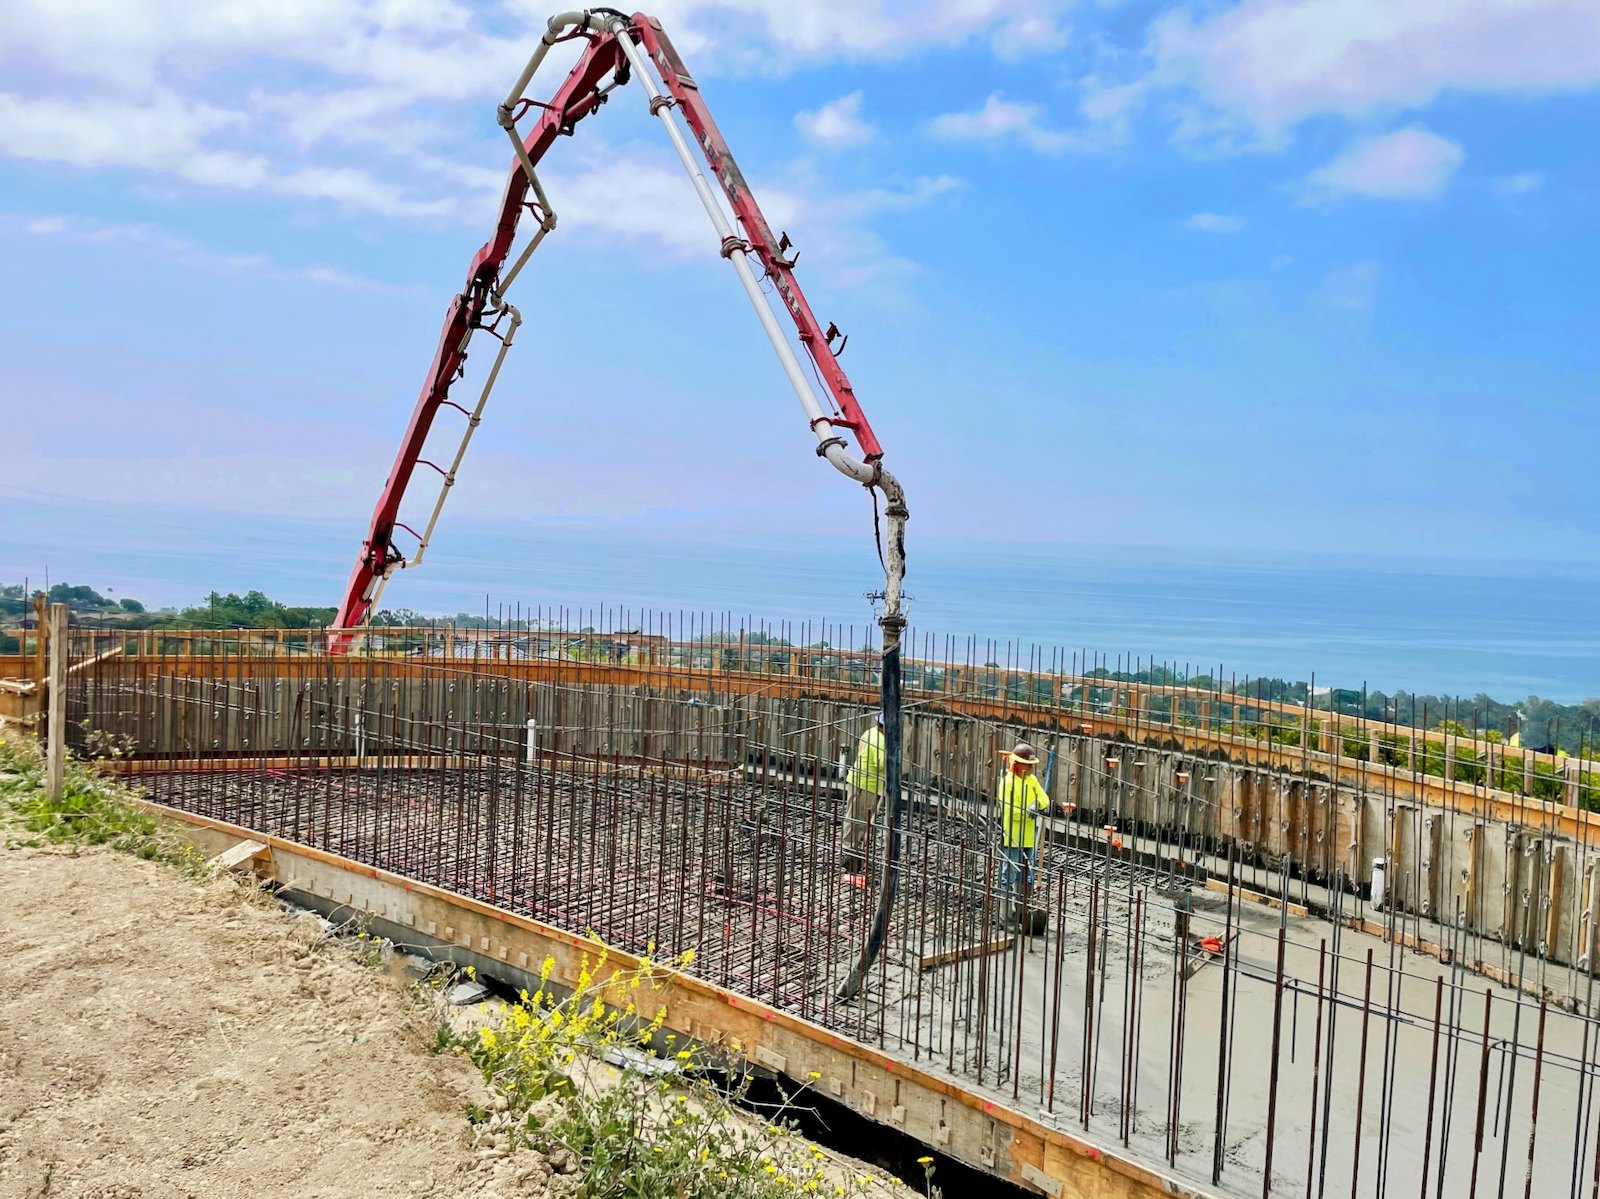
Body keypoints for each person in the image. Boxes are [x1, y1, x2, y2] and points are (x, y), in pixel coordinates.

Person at [998, 742, 1051, 905]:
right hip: (1012, 836)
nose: (1030, 769)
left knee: (1027, 874)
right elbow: (1011, 811)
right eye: (1027, 765)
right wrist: (1030, 813)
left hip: (1029, 836)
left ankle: (1022, 911)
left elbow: (1045, 799)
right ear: (1016, 764)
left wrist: (1037, 805)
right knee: (1009, 874)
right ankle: (1005, 915)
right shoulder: (1007, 783)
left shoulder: (1031, 780)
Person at [842, 711, 885, 877]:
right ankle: (851, 852)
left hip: (857, 780)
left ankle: (849, 848)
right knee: (860, 817)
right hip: (867, 784)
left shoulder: (869, 732)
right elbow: (881, 764)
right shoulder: (880, 740)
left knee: (852, 814)